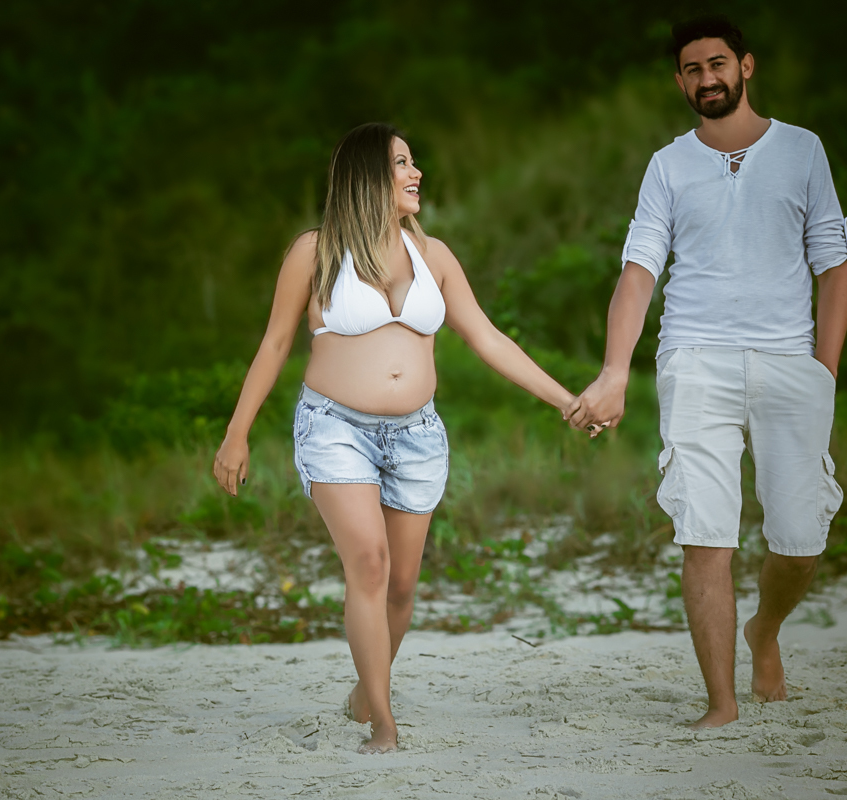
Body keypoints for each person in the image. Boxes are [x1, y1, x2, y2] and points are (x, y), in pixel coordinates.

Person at [212, 123, 581, 753]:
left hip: (416, 435)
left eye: (414, 163)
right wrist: (235, 435)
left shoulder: (432, 254)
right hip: (335, 428)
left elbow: (488, 338)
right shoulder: (316, 251)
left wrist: (567, 401)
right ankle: (383, 723)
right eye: (401, 165)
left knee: (403, 585)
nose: (416, 175)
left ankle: (366, 689)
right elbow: (275, 343)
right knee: (371, 563)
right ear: (365, 177)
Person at [568, 15, 847, 729]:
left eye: (717, 64)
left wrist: (825, 371)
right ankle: (720, 704)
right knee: (706, 533)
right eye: (692, 70)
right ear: (680, 81)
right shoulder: (668, 164)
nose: (707, 79)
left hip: (792, 363)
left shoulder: (802, 151)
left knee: (800, 537)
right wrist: (613, 370)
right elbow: (638, 273)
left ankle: (765, 630)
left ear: (746, 66)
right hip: (693, 359)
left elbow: (835, 269)